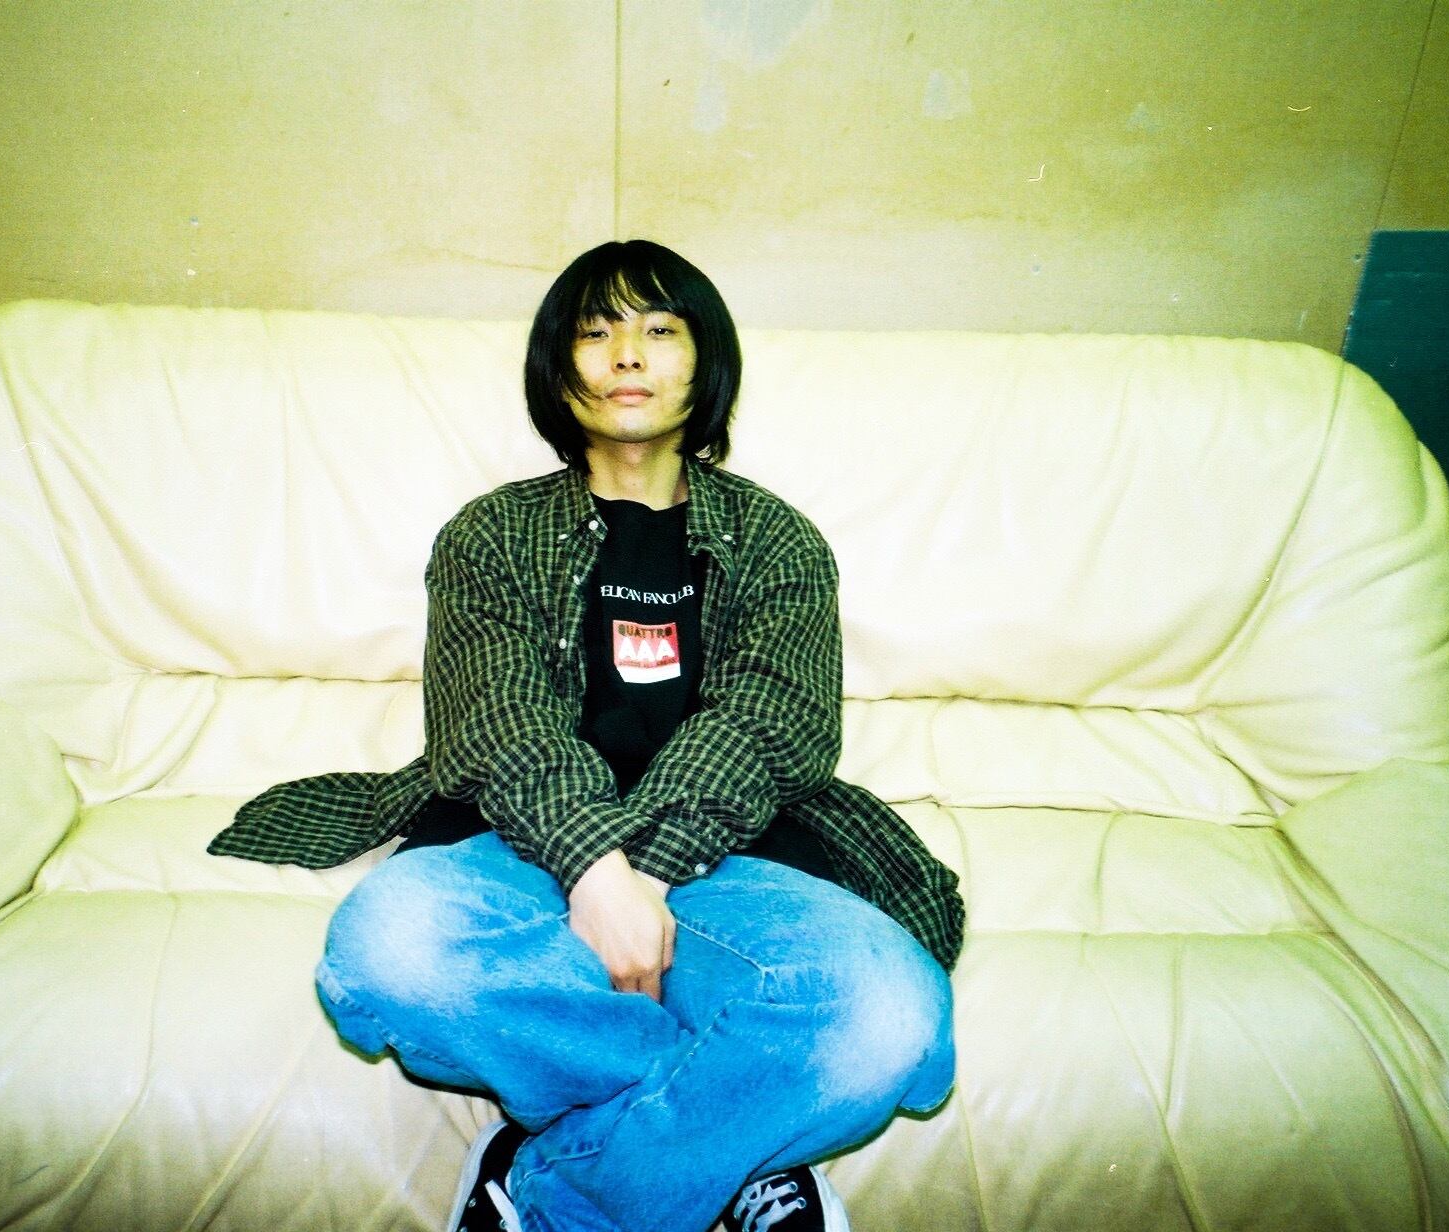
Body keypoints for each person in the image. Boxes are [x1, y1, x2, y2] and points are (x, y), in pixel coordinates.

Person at [209, 240, 965, 1232]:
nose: (627, 354)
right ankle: (730, 1141)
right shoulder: (490, 534)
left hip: (736, 858)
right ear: (557, 368)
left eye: (660, 329)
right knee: (385, 951)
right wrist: (594, 872)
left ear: (706, 361)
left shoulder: (778, 539)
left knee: (891, 1018)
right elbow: (495, 719)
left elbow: (776, 721)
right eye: (596, 331)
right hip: (519, 851)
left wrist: (640, 876)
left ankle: (556, 1183)